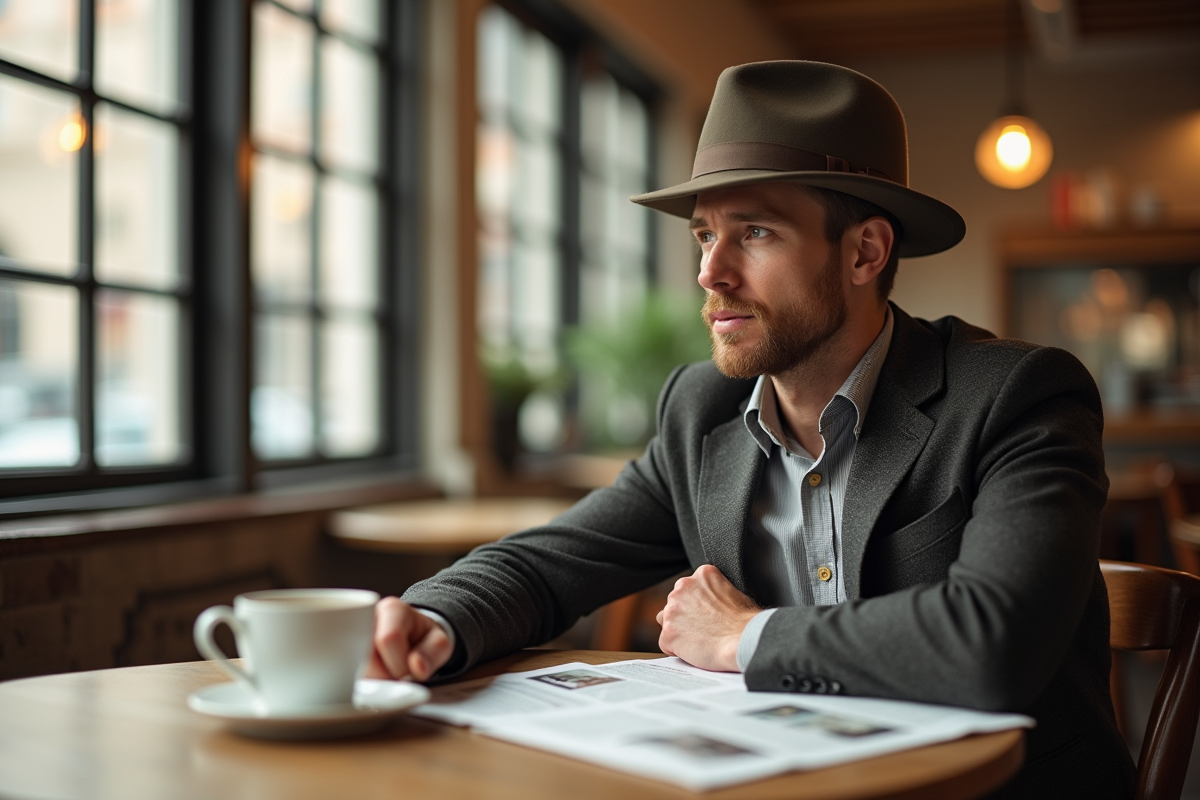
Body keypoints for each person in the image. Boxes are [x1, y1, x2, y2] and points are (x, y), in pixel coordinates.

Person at [366, 61, 1135, 797]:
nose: (711, 272)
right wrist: (435, 618)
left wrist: (746, 636)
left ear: (865, 251)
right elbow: (551, 563)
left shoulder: (1016, 395)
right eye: (705, 235)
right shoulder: (700, 411)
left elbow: (995, 642)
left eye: (756, 232)